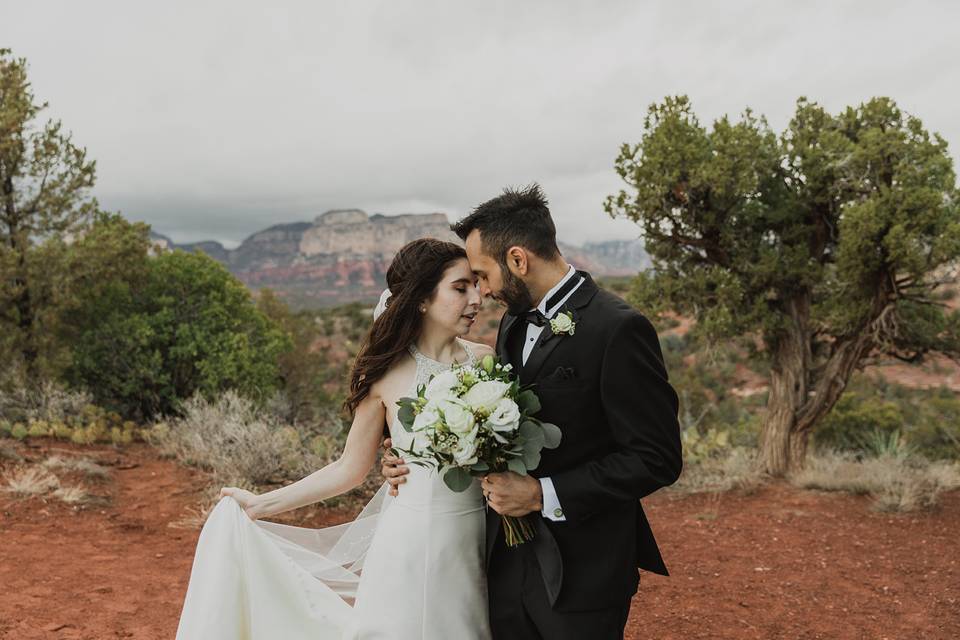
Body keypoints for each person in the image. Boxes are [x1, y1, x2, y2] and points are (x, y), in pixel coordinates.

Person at [382, 184, 683, 639]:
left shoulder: (618, 328)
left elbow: (656, 457)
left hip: (585, 571)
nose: (482, 291)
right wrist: (418, 451)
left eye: (483, 274)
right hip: (503, 563)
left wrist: (543, 494)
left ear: (519, 260)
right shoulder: (514, 321)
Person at [175, 238, 495, 639]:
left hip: (481, 538)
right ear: (422, 299)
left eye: (476, 285)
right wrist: (261, 504)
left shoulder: (485, 361)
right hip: (412, 542)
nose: (477, 298)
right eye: (460, 287)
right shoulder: (386, 375)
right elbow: (348, 469)